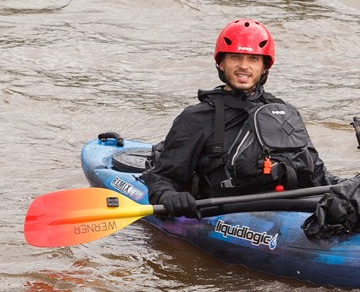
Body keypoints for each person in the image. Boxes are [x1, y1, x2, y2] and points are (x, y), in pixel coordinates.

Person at [143, 19, 334, 218]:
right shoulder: (196, 118)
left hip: (287, 209)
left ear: (264, 67)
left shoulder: (285, 113)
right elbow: (162, 177)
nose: (244, 66)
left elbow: (318, 173)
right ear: (221, 63)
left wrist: (354, 186)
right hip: (226, 212)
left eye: (253, 59)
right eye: (235, 57)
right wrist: (168, 196)